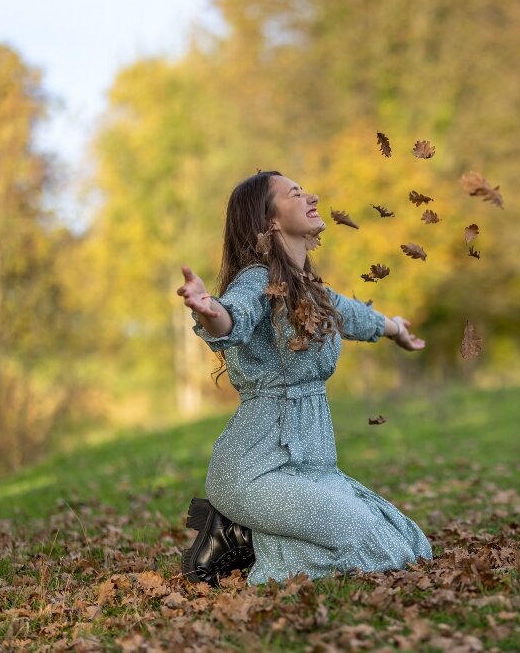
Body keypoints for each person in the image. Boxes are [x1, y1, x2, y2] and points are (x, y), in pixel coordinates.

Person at [177, 170, 432, 586]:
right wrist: (208, 309)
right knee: (364, 546)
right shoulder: (257, 282)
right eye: (295, 193)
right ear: (271, 220)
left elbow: (353, 314)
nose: (311, 196)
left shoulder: (310, 290)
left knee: (408, 544)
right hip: (255, 469)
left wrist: (396, 329)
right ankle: (237, 529)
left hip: (312, 466)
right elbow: (232, 319)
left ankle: (240, 532)